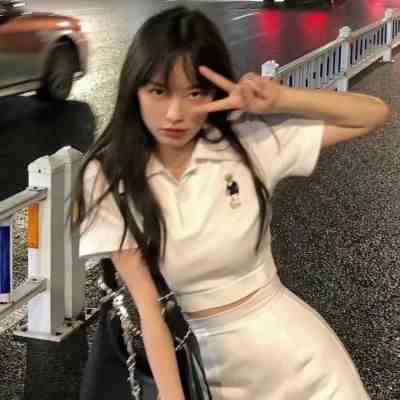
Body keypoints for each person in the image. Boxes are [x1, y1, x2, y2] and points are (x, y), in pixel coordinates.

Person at [71, 5, 390, 400]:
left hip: (302, 361)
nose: (175, 113)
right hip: (202, 367)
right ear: (133, 90)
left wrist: (280, 99)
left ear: (213, 94)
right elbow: (149, 310)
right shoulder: (110, 176)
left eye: (194, 93)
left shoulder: (247, 145)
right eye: (158, 91)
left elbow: (373, 115)